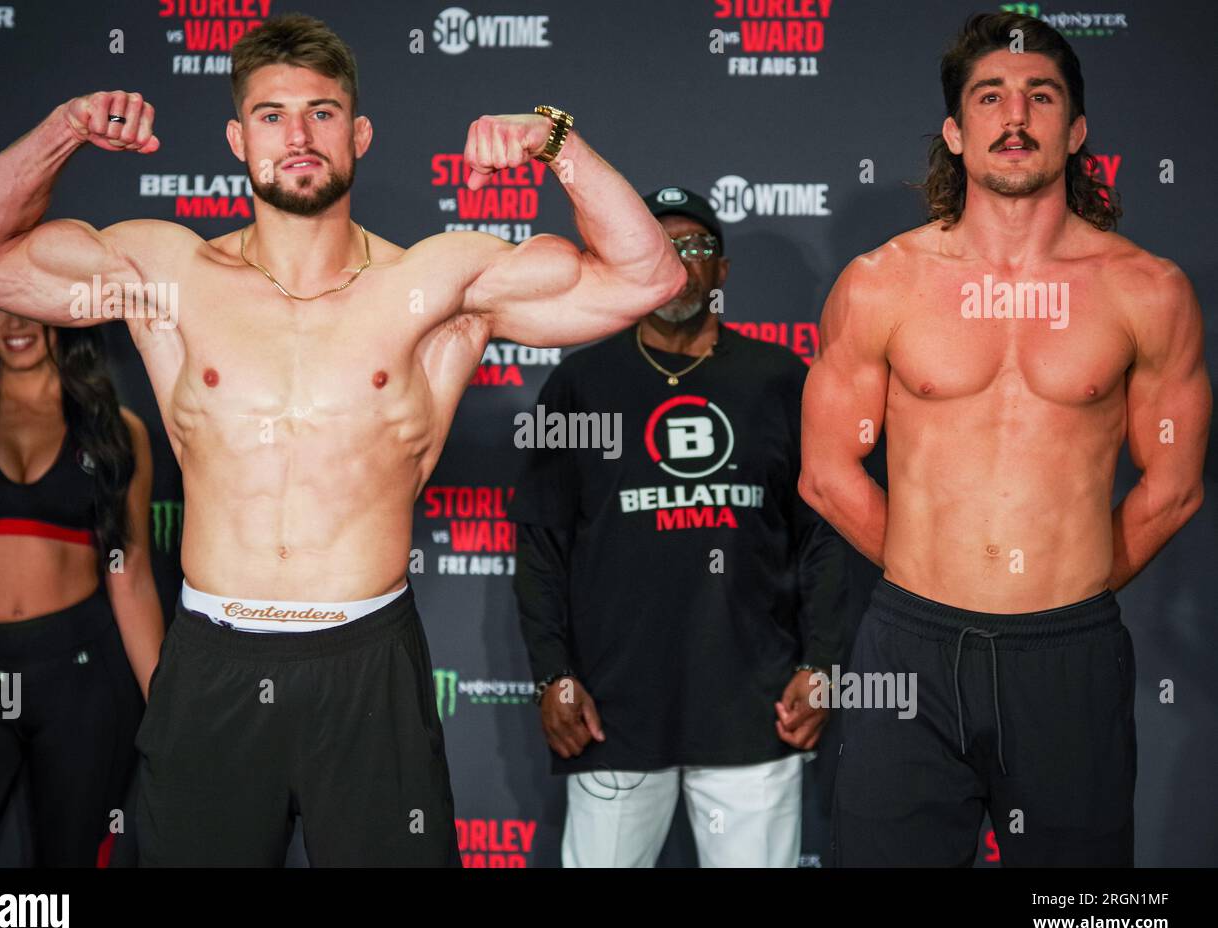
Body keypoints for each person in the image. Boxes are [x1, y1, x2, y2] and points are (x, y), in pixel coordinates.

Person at [0, 13, 685, 866]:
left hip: (369, 666)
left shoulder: (436, 283)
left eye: (322, 113)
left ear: (358, 134)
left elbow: (648, 276)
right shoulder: (167, 276)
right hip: (213, 659)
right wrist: (66, 128)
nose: (298, 134)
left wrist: (555, 142)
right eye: (272, 114)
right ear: (235, 137)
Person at [799, 12, 1210, 866]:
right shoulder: (881, 284)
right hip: (905, 650)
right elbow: (826, 475)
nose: (1014, 115)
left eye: (1040, 95)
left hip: (1071, 655)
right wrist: (930, 575)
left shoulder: (1147, 291)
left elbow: (1172, 485)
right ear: (955, 130)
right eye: (990, 96)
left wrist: (1073, 585)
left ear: (1077, 128)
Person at [511, 186, 848, 867]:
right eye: (660, 246)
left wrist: (821, 665)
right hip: (612, 711)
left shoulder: (781, 379)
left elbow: (825, 537)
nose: (679, 261)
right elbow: (543, 545)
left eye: (696, 247)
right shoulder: (581, 384)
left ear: (721, 272)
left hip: (754, 710)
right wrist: (553, 675)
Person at [0, 292, 160, 867]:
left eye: (31, 305)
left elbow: (130, 576)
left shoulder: (115, 430)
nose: (15, 322)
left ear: (65, 315)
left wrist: (169, 713)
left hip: (81, 674)